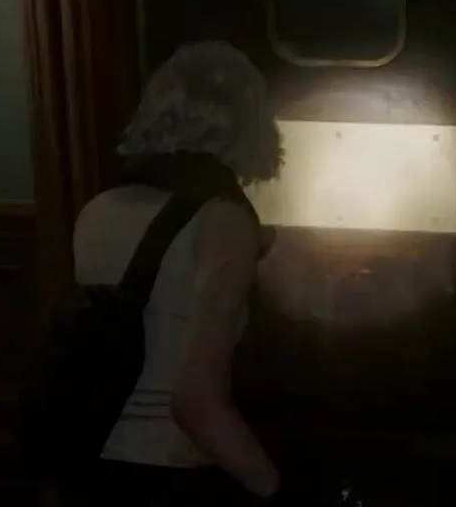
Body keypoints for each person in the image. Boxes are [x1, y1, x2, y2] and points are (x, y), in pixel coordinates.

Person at [48, 42, 290, 505]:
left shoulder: (98, 209)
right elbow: (195, 403)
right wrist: (275, 485)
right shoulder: (224, 220)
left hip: (87, 466)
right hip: (172, 474)